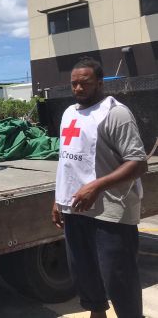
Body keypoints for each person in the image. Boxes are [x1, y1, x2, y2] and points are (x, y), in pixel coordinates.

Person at [51, 57, 148, 318]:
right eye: (74, 84)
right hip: (76, 208)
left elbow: (138, 163)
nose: (79, 89)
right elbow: (67, 161)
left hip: (111, 211)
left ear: (100, 82)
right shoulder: (69, 113)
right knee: (84, 274)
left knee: (119, 278)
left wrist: (97, 186)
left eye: (85, 83)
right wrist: (58, 201)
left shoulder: (115, 113)